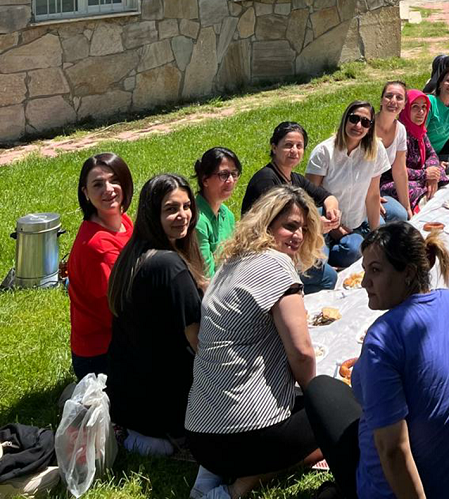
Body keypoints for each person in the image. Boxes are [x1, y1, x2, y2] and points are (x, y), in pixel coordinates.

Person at [303, 222, 449, 498]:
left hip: (406, 489)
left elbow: (393, 449)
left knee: (321, 390)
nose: (365, 283)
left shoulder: (383, 339)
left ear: (408, 273)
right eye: (365, 271)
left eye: (375, 271)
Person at [186, 185, 327, 499]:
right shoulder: (276, 264)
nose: (298, 236)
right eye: (290, 226)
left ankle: (209, 478)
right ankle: (240, 487)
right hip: (247, 441)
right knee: (343, 412)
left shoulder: (228, 265)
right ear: (267, 225)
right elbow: (303, 353)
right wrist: (320, 400)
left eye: (303, 229)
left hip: (200, 438)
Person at [106, 173, 205, 456]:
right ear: (152, 214)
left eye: (187, 206)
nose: (183, 215)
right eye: (171, 209)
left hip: (129, 401)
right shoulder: (168, 265)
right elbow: (201, 344)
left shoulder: (133, 255)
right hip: (162, 412)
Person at [307, 101, 405, 269]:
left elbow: (373, 194)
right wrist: (334, 228)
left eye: (365, 122)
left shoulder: (376, 149)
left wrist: (375, 238)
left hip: (355, 221)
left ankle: (356, 240)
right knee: (316, 264)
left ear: (370, 127)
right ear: (345, 119)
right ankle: (328, 255)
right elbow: (308, 198)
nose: (358, 125)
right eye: (354, 119)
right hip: (322, 223)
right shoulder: (324, 151)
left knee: (362, 247)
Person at [243, 121, 339, 291]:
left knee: (321, 254)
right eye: (288, 145)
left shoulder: (294, 178)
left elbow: (326, 196)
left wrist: (332, 210)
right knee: (328, 277)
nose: (294, 150)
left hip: (288, 246)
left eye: (299, 146)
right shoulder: (266, 181)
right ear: (274, 147)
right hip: (266, 255)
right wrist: (314, 228)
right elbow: (271, 230)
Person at [67, 152, 134, 380]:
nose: (108, 189)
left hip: (116, 337)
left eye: (114, 180)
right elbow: (118, 312)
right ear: (85, 193)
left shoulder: (122, 220)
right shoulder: (98, 247)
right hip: (101, 354)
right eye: (98, 184)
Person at [381, 90, 449, 212]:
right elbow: (395, 170)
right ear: (406, 108)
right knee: (407, 188)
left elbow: (431, 153)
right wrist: (425, 174)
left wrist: (432, 172)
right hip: (393, 180)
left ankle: (428, 191)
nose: (421, 112)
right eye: (415, 107)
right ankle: (423, 199)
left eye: (424, 107)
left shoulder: (419, 130)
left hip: (419, 174)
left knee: (442, 170)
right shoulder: (398, 132)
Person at [193, 147, 241, 276]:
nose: (231, 180)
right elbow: (206, 275)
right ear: (205, 180)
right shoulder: (197, 221)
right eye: (224, 175)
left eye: (234, 174)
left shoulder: (228, 215)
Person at [374, 81, 413, 217]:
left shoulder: (400, 129)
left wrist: (407, 207)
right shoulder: (368, 126)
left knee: (401, 215)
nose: (393, 101)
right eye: (389, 96)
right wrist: (371, 197)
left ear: (404, 105)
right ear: (381, 100)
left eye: (399, 98)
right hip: (356, 189)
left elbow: (400, 171)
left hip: (377, 188)